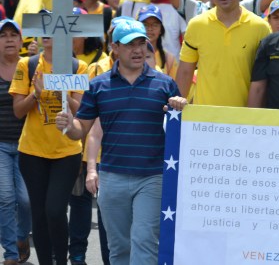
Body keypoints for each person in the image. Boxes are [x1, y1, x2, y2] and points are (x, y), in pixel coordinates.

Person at [55, 19, 187, 265]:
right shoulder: (98, 85)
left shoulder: (165, 83)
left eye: (141, 43)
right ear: (115, 47)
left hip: (153, 177)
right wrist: (68, 124)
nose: (138, 50)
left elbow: (182, 126)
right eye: (130, 45)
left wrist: (181, 105)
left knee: (144, 242)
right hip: (112, 177)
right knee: (119, 249)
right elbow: (80, 130)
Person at [10, 31, 88, 265]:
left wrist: (61, 90)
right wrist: (36, 94)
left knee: (55, 210)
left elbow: (82, 111)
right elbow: (18, 111)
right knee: (39, 214)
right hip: (32, 151)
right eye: (44, 30)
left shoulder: (79, 67)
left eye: (53, 31)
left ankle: (61, 261)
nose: (47, 35)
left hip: (67, 151)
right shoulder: (28, 64)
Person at [176, 0, 271, 106]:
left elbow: (266, 80)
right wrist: (176, 109)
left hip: (243, 121)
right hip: (204, 118)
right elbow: (185, 72)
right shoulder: (196, 25)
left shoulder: (261, 28)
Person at [0, 20, 30, 265]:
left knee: (26, 199)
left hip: (27, 143)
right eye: (3, 35)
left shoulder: (30, 66)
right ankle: (10, 252)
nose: (9, 39)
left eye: (13, 35)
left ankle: (22, 237)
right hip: (0, 145)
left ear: (21, 41)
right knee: (6, 198)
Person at [137, 4, 178, 79]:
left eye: (155, 25)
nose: (150, 29)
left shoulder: (169, 59)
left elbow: (173, 88)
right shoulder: (130, 55)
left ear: (160, 30)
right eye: (145, 25)